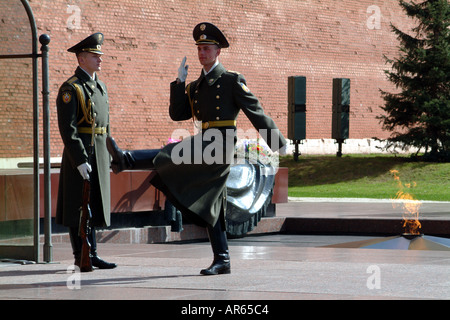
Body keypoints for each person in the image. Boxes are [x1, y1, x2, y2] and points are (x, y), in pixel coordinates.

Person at [106, 22, 286, 275]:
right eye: (199, 48)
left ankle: (127, 159)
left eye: (207, 48)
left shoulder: (231, 80)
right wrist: (179, 83)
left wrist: (277, 142)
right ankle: (222, 259)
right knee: (213, 204)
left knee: (176, 152)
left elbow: (255, 111)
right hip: (203, 143)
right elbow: (177, 114)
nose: (202, 53)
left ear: (218, 52)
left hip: (220, 144)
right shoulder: (194, 86)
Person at [56, 32, 116, 271]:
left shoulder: (99, 86)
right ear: (81, 59)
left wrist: (110, 153)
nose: (100, 59)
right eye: (94, 55)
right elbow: (68, 129)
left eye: (99, 55)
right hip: (80, 156)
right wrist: (80, 160)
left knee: (93, 205)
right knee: (78, 207)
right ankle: (80, 255)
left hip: (99, 154)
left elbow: (106, 125)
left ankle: (92, 253)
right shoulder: (71, 89)